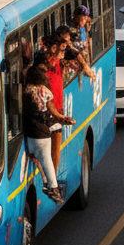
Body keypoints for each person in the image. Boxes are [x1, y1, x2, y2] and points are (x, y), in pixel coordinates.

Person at [23, 59, 74, 203]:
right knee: (46, 160)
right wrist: (61, 117)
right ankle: (53, 188)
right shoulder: (43, 91)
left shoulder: (25, 91)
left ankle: (47, 184)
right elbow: (50, 107)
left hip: (29, 135)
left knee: (38, 159)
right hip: (41, 134)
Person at [44, 36, 67, 177]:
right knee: (47, 148)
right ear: (53, 49)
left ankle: (53, 176)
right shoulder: (44, 66)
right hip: (48, 113)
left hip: (57, 110)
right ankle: (51, 179)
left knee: (55, 146)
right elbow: (47, 99)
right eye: (62, 50)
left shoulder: (57, 63)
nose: (63, 53)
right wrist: (59, 115)